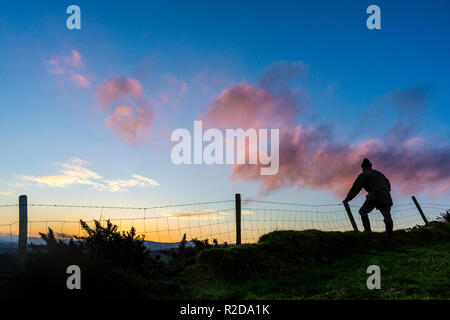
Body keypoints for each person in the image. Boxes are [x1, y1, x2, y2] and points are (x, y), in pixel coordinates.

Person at [343, 158, 393, 235]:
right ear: (370, 166)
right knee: (387, 216)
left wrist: (347, 199)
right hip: (386, 197)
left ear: (363, 167)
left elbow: (355, 188)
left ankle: (367, 231)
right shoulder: (379, 174)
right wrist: (386, 192)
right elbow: (388, 183)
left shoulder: (364, 174)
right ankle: (389, 235)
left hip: (375, 196)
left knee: (362, 211)